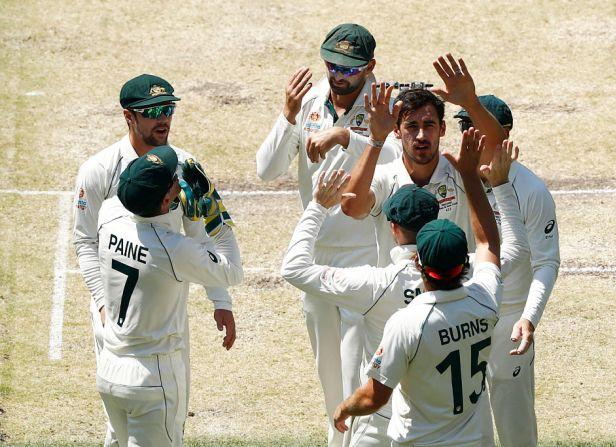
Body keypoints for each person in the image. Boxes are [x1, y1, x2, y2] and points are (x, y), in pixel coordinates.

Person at [284, 135, 528, 446]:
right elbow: (502, 247)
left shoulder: (382, 291)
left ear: (393, 227)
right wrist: (496, 183)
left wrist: (318, 207)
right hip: (474, 434)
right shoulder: (483, 294)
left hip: (395, 426)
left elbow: (294, 268)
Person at [72, 74, 237, 446]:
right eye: (153, 113)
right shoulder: (98, 170)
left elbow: (199, 235)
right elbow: (84, 240)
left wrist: (220, 301)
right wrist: (101, 303)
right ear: (128, 117)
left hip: (167, 315)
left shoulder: (184, 166)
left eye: (169, 109)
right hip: (112, 316)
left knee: (171, 423)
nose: (164, 119)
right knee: (120, 426)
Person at [256, 23, 399, 446]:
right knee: (329, 378)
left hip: (365, 258)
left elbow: (399, 156)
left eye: (350, 69)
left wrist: (346, 137)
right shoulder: (309, 100)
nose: (338, 75)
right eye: (332, 65)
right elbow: (267, 169)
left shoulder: (384, 104)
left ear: (370, 68)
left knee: (360, 372)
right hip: (317, 261)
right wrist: (287, 114)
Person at [96, 146, 243, 447]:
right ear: (165, 200)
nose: (178, 180)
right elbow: (232, 271)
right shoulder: (172, 250)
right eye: (173, 181)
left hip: (110, 369)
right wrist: (212, 209)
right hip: (153, 380)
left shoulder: (108, 214)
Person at [453, 95, 560, 447]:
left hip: (509, 322)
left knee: (515, 429)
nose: (467, 135)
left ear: (504, 136)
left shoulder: (531, 191)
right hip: (461, 314)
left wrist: (529, 318)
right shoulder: (454, 176)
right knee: (461, 421)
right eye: (463, 126)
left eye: (475, 128)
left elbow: (546, 262)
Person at [341, 53, 507, 268]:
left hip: (454, 295)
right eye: (411, 126)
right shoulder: (385, 177)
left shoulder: (461, 170)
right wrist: (376, 139)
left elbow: (498, 150)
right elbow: (352, 207)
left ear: (443, 129)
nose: (420, 135)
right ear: (397, 131)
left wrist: (470, 102)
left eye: (429, 125)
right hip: (399, 298)